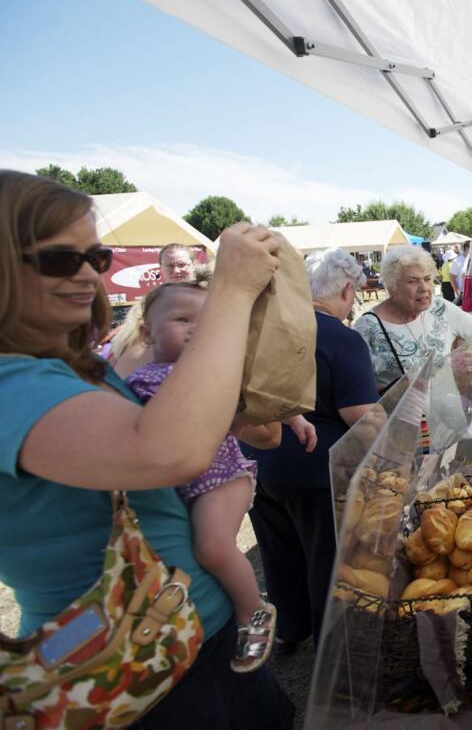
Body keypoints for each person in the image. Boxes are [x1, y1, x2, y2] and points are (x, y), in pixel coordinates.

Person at [0, 170, 294, 727]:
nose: (87, 274)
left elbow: (232, 430)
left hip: (192, 633)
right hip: (123, 662)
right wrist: (230, 290)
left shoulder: (75, 367)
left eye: (96, 256)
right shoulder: (11, 386)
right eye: (61, 259)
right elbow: (166, 451)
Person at [125, 281, 293, 673]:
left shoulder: (215, 372)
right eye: (182, 319)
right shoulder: (138, 380)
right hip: (187, 482)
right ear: (146, 332)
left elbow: (259, 400)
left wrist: (296, 418)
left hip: (222, 476)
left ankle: (253, 613)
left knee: (212, 547)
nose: (194, 329)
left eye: (204, 322)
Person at [247, 247, 379, 653]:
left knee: (278, 554)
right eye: (354, 292)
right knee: (325, 557)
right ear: (345, 290)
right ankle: (331, 650)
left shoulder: (272, 330)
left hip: (258, 459)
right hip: (315, 466)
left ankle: (289, 627)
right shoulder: (344, 338)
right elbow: (360, 415)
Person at [353, 244, 472, 393]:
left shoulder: (439, 307)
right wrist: (396, 390)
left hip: (446, 412)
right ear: (392, 287)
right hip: (400, 415)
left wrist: (471, 355)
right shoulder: (367, 327)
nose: (424, 287)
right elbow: (358, 390)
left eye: (427, 279)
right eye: (412, 281)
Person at [108, 242, 201, 377]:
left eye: (181, 265)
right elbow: (123, 344)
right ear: (161, 268)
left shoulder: (209, 298)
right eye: (170, 266)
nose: (176, 271)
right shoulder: (147, 303)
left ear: (194, 265)